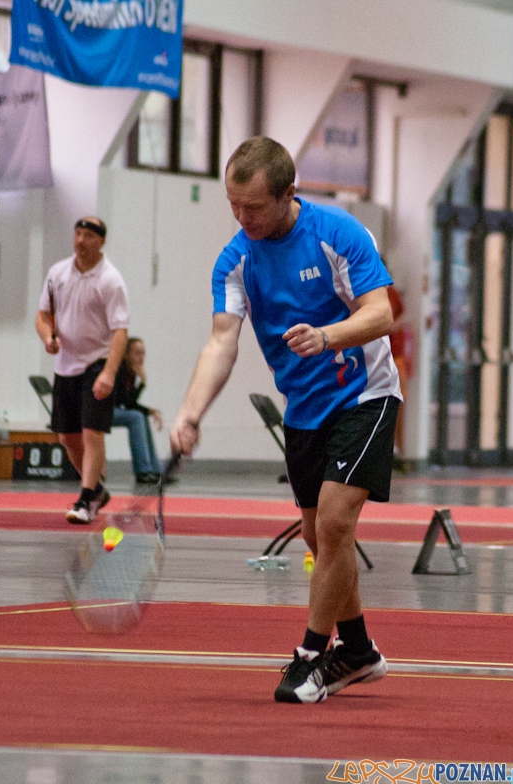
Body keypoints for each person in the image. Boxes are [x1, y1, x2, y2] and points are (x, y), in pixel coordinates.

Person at [170, 136, 402, 704]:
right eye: (233, 205)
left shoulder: (338, 234)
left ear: (287, 195)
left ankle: (308, 659)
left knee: (334, 522)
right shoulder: (237, 259)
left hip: (365, 396)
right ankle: (359, 651)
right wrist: (191, 410)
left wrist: (327, 337)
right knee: (317, 536)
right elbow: (222, 340)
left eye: (253, 207)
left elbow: (381, 312)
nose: (241, 217)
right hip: (305, 409)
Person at [35, 217, 130, 524]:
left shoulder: (110, 280)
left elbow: (120, 331)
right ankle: (98, 490)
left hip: (97, 362)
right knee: (67, 437)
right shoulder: (57, 273)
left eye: (88, 235)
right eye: (77, 233)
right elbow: (43, 314)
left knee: (91, 432)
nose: (80, 240)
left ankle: (86, 499)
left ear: (101, 241)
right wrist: (48, 337)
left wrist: (109, 373)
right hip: (66, 365)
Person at [112, 337, 164, 483]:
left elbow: (129, 402)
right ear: (126, 355)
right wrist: (142, 384)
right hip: (102, 412)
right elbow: (126, 402)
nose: (141, 358)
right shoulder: (119, 370)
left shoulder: (129, 372)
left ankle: (155, 469)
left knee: (140, 416)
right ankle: (142, 470)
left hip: (114, 410)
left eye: (143, 353)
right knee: (136, 417)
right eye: (137, 353)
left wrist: (149, 410)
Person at [387, 284, 407, 463]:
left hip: (396, 356)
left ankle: (398, 448)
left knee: (399, 401)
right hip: (382, 358)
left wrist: (393, 326)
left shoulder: (391, 292)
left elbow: (401, 317)